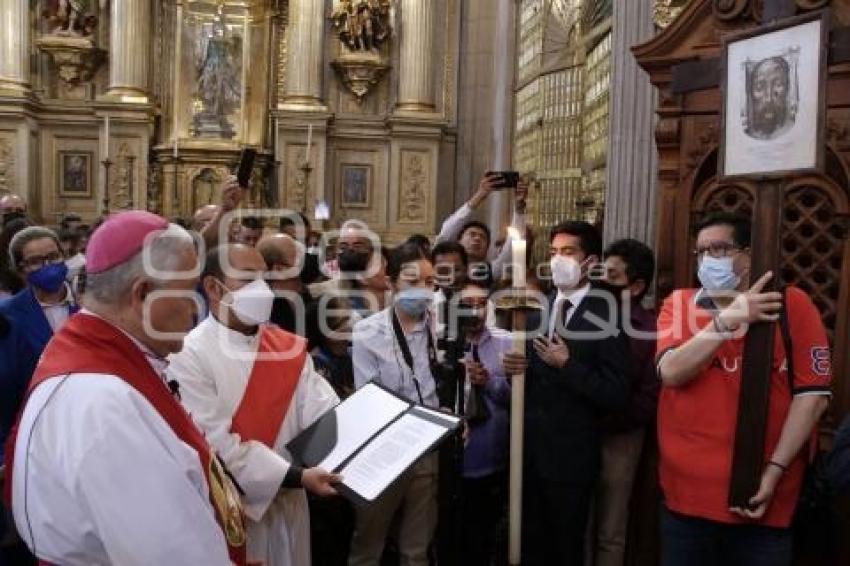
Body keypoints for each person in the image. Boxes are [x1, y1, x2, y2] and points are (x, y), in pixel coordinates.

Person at [4, 211, 245, 565]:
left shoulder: (94, 355)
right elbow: (170, 554)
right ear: (143, 294)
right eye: (187, 292)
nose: (195, 310)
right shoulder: (103, 402)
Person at [656, 212, 831, 566]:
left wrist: (774, 472)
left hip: (763, 499)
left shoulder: (791, 304)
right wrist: (729, 320)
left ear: (749, 255)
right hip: (686, 502)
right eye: (702, 252)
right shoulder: (681, 303)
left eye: (719, 249)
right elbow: (671, 371)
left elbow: (812, 397)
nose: (708, 260)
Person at [167, 243, 341, 566]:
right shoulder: (188, 355)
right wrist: (297, 477)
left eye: (264, 278)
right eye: (247, 279)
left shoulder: (284, 345)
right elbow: (216, 449)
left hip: (293, 504)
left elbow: (323, 411)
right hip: (237, 515)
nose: (261, 289)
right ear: (212, 288)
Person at [502, 220, 630, 565]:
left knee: (565, 547)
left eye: (568, 252)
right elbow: (522, 383)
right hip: (526, 453)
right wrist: (509, 372)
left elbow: (617, 392)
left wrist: (568, 366)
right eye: (554, 252)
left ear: (590, 261)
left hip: (570, 458)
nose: (558, 259)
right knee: (529, 543)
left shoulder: (609, 313)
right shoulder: (536, 307)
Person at [349, 242, 439, 565]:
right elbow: (368, 396)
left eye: (429, 283)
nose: (423, 291)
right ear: (391, 283)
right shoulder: (367, 331)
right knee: (368, 544)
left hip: (428, 443)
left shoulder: (441, 327)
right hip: (384, 447)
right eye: (413, 281)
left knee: (417, 547)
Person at [589, 238, 659, 566]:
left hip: (621, 435)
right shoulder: (589, 315)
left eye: (613, 277)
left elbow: (647, 395)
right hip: (581, 430)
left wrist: (608, 419)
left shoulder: (649, 328)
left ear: (637, 285)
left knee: (610, 527)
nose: (603, 282)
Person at [0, 226, 79, 460]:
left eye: (53, 257)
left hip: (81, 425)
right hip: (31, 434)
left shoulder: (89, 306)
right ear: (21, 270)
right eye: (36, 261)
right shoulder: (7, 316)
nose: (48, 266)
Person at [456, 280, 512, 565]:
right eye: (467, 305)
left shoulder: (507, 341)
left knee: (485, 534)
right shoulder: (440, 343)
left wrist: (488, 381)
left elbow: (518, 398)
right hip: (454, 460)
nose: (475, 312)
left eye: (481, 304)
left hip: (492, 457)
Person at [435, 173, 528, 283]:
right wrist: (479, 195)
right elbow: (445, 234)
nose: (477, 239)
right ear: (458, 240)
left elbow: (512, 247)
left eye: (483, 237)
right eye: (472, 234)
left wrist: (519, 207)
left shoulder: (490, 271)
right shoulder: (443, 264)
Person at [258, 233, 311, 335]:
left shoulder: (302, 291)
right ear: (278, 269)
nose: (301, 261)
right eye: (295, 257)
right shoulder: (267, 308)